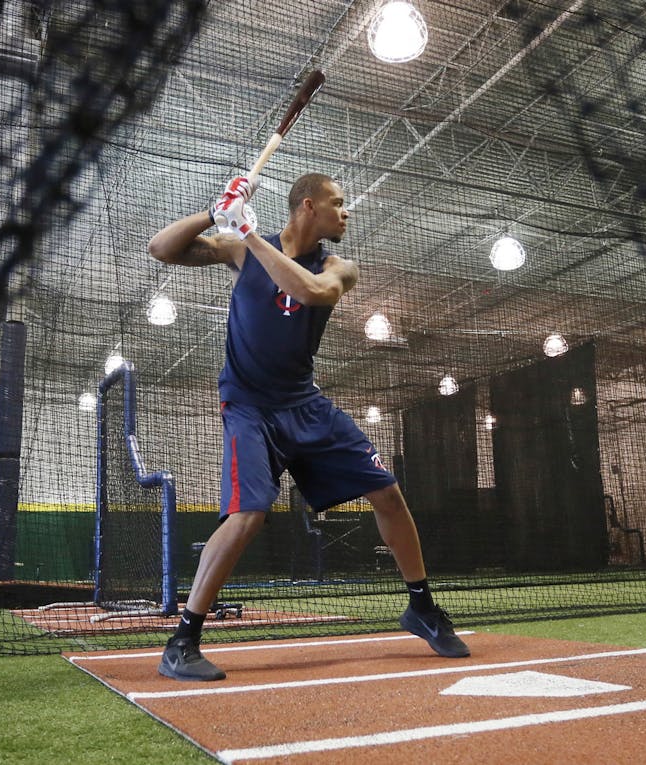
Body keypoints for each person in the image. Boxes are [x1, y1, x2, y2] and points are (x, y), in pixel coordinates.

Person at [145, 172, 469, 681]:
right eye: (338, 204)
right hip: (248, 406)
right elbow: (161, 249)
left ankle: (421, 607)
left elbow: (311, 291)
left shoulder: (338, 266)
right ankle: (182, 640)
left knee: (386, 493)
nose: (346, 213)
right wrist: (215, 213)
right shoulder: (238, 250)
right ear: (308, 206)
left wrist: (248, 234)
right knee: (248, 514)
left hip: (305, 404)